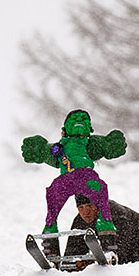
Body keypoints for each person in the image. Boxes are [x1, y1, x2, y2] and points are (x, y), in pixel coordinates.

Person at [21, 109, 126, 254]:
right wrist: (39, 149)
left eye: (83, 119)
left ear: (89, 128)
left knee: (101, 192)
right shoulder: (60, 147)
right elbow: (47, 153)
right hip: (67, 179)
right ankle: (50, 237)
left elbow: (105, 147)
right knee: (53, 195)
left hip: (86, 177)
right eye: (74, 118)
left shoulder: (91, 144)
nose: (78, 120)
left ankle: (106, 232)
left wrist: (112, 144)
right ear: (65, 128)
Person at [59, 194, 139, 265]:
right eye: (81, 208)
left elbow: (121, 254)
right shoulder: (80, 221)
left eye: (90, 206)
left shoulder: (115, 215)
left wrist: (89, 263)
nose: (86, 212)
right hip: (135, 252)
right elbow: (72, 252)